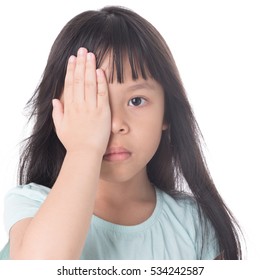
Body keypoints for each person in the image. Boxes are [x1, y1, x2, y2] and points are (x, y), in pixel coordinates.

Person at [0, 6, 242, 260]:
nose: (114, 124)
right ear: (58, 113)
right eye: (92, 100)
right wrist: (85, 148)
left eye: (136, 101)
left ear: (167, 113)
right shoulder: (31, 206)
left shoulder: (195, 225)